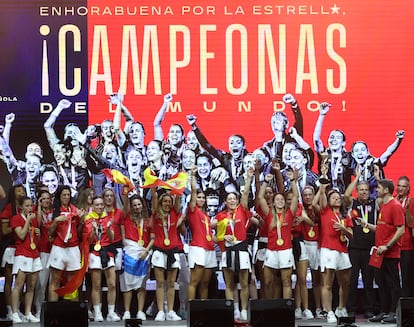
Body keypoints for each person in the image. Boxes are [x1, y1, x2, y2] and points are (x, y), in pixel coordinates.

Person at [215, 168, 255, 322]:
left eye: (234, 199)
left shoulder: (243, 211)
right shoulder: (220, 216)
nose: (232, 201)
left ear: (237, 201)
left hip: (242, 250)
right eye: (229, 199)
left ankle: (244, 310)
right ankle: (234, 310)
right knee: (229, 284)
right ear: (225, 201)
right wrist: (223, 236)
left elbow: (245, 195)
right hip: (227, 251)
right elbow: (217, 237)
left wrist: (249, 179)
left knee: (244, 283)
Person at [363, 179, 405, 324]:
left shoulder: (395, 206)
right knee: (381, 283)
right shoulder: (384, 205)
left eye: (379, 188)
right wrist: (368, 225)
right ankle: (384, 311)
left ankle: (394, 312)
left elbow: (401, 229)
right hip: (379, 253)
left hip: (390, 253)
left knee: (392, 284)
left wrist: (387, 246)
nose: (376, 190)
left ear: (386, 190)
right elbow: (383, 228)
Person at [313, 183, 353, 324]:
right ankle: (329, 311)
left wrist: (344, 228)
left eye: (338, 198)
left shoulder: (345, 215)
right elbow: (314, 203)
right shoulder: (324, 211)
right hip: (328, 249)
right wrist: (322, 187)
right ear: (329, 201)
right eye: (334, 198)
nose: (337, 199)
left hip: (342, 250)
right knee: (327, 283)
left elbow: (351, 235)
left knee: (346, 282)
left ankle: (341, 307)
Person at [257, 170, 299, 301]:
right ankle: (270, 307)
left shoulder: (289, 213)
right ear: (273, 202)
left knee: (286, 281)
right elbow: (260, 198)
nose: (280, 201)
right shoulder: (269, 213)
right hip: (271, 251)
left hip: (285, 250)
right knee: (268, 282)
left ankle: (286, 309)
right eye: (277, 199)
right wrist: (265, 181)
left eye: (282, 199)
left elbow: (296, 197)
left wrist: (293, 181)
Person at [343, 170, 376, 318]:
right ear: (357, 191)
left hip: (370, 248)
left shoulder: (374, 203)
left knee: (369, 281)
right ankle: (351, 308)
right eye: (361, 190)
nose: (363, 192)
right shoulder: (353, 203)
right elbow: (346, 196)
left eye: (366, 190)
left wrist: (378, 176)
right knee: (352, 280)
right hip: (354, 248)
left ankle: (369, 308)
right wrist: (357, 177)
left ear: (369, 191)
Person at [83, 196, 120, 322]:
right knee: (96, 285)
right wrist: (93, 228)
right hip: (95, 252)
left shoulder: (108, 218)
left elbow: (111, 238)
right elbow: (90, 239)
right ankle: (97, 312)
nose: (99, 207)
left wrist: (109, 227)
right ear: (92, 206)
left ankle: (110, 312)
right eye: (97, 205)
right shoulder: (88, 219)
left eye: (101, 204)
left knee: (112, 284)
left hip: (108, 251)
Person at [150, 188, 184, 322]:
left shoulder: (174, 214)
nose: (167, 203)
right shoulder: (156, 214)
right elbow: (153, 199)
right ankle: (160, 311)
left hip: (173, 251)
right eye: (164, 201)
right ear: (160, 202)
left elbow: (178, 200)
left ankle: (170, 311)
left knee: (171, 283)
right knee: (160, 283)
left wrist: (179, 188)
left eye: (169, 201)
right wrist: (153, 187)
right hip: (159, 251)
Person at [46, 185, 85, 302]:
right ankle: (52, 310)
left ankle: (72, 311)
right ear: (59, 196)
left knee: (72, 282)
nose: (67, 197)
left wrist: (82, 221)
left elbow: (79, 232)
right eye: (64, 195)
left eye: (68, 195)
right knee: (55, 280)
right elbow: (49, 232)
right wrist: (56, 221)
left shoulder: (75, 210)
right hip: (59, 247)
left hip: (73, 247)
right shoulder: (54, 211)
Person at [120, 194, 154, 321]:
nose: (137, 207)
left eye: (139, 204)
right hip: (129, 253)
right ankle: (127, 311)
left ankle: (140, 311)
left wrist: (146, 251)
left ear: (143, 205)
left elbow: (153, 238)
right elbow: (125, 203)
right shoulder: (126, 217)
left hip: (144, 253)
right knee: (127, 284)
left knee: (142, 284)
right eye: (134, 205)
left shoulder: (148, 220)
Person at [186, 167, 217, 300]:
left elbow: (210, 235)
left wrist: (223, 239)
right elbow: (193, 191)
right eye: (199, 197)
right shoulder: (192, 210)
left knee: (205, 283)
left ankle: (203, 310)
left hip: (209, 249)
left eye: (203, 197)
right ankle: (192, 311)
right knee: (194, 282)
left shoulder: (206, 216)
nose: (201, 199)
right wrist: (192, 176)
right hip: (198, 248)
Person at [10, 196, 42, 323]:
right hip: (22, 254)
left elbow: (33, 240)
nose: (30, 208)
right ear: (21, 207)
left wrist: (38, 235)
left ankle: (28, 312)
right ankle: (14, 312)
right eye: (27, 206)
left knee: (31, 286)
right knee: (18, 285)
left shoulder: (33, 220)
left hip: (34, 254)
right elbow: (22, 235)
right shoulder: (16, 219)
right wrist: (28, 221)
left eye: (31, 205)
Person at [313, 102, 352, 193]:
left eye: (338, 138)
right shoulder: (324, 155)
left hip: (343, 197)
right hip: (325, 196)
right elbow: (316, 139)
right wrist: (322, 115)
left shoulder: (349, 157)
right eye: (331, 137)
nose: (334, 140)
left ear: (343, 142)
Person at [1, 184, 26, 319]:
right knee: (9, 279)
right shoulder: (8, 208)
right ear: (12, 193)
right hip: (10, 247)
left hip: (23, 247)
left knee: (21, 281)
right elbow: (4, 231)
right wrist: (17, 225)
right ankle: (9, 309)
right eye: (18, 190)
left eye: (23, 190)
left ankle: (18, 308)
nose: (21, 192)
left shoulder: (26, 209)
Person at [262, 93, 304, 162]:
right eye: (273, 122)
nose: (275, 125)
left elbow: (299, 121)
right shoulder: (268, 146)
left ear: (286, 124)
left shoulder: (293, 139)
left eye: (278, 121)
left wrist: (293, 103)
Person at [33, 190, 54, 318]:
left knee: (53, 283)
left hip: (55, 250)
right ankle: (38, 309)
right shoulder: (35, 213)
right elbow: (39, 223)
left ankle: (51, 309)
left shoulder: (55, 212)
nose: (46, 200)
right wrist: (39, 207)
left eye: (48, 198)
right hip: (42, 251)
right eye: (43, 199)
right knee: (41, 283)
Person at [395, 176, 414, 297]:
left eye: (404, 186)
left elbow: (411, 222)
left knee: (407, 277)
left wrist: (406, 210)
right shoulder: (392, 200)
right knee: (393, 277)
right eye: (399, 185)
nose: (401, 188)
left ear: (408, 188)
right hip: (393, 245)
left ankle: (407, 307)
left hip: (407, 245)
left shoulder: (411, 202)